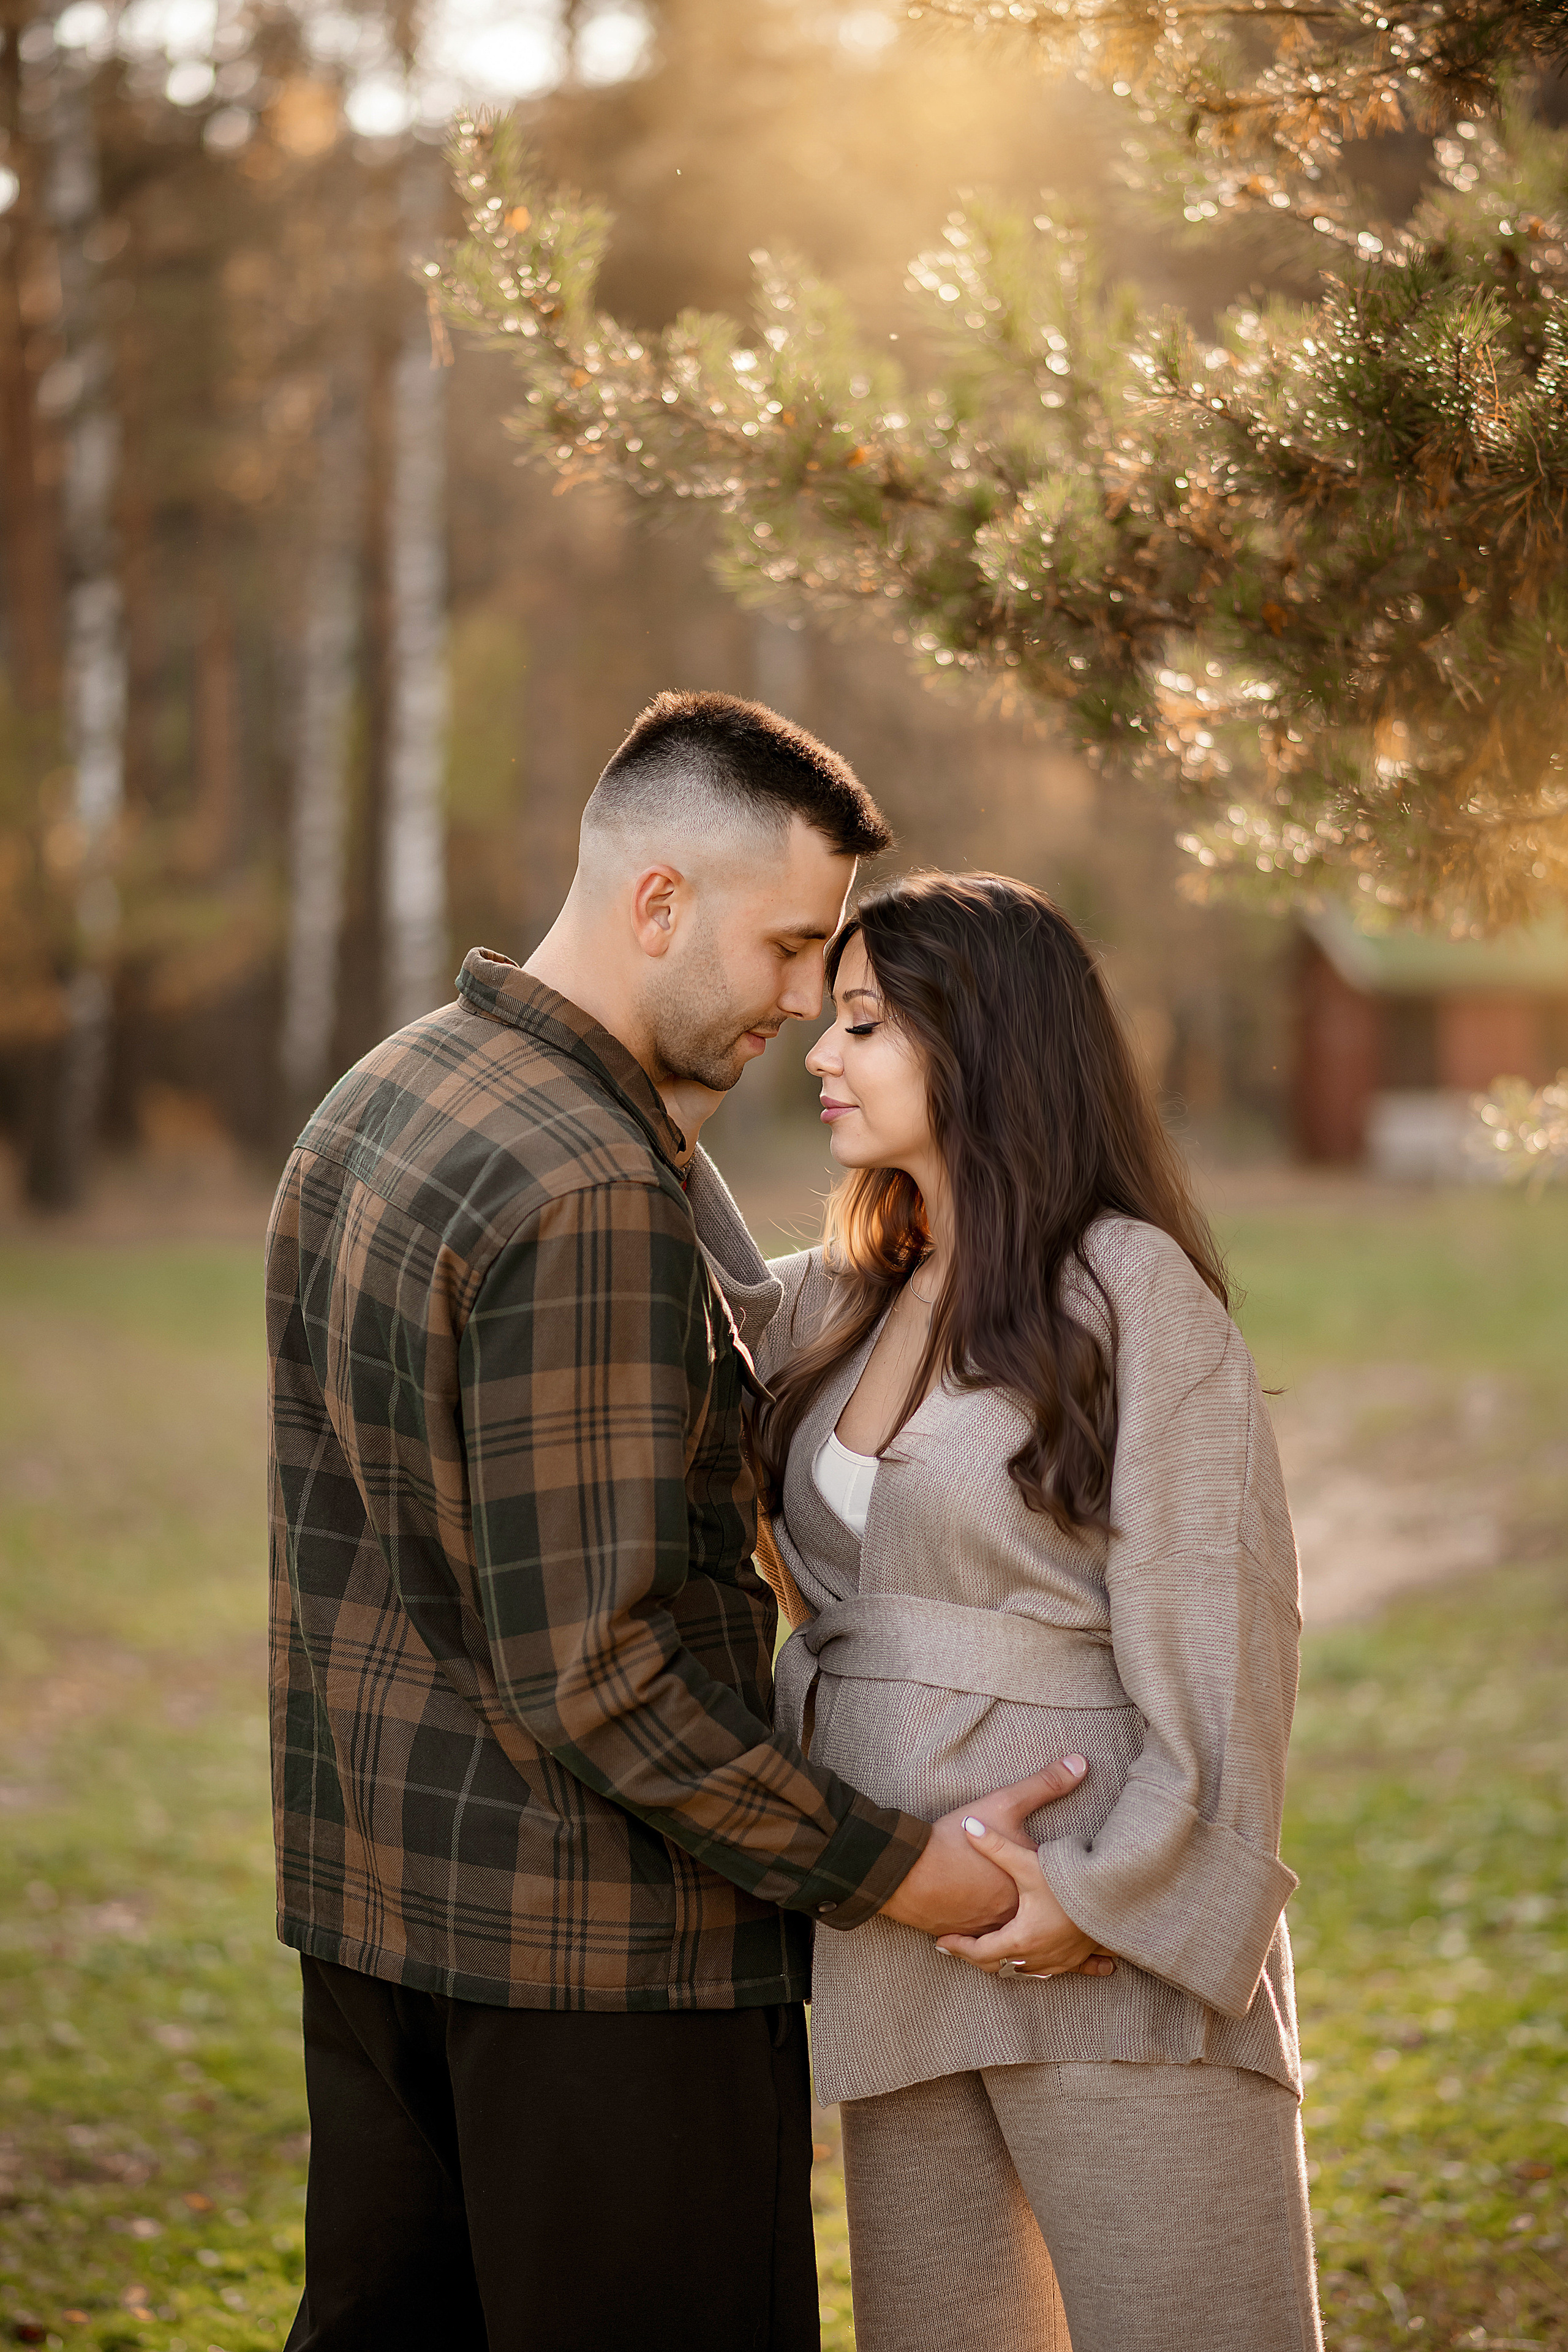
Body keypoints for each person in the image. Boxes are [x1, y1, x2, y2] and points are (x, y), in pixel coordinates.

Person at [266, 696, 1084, 2352]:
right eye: (786, 946)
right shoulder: (584, 1185)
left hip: (376, 1930)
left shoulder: (383, 1091)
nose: (803, 999)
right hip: (603, 1980)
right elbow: (606, 1675)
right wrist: (908, 1873)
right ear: (657, 902)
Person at [692, 872, 1322, 2352]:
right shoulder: (842, 1295)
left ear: (980, 1040)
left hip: (1096, 1913)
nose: (820, 1053)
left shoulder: (1125, 1289)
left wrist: (1101, 1898)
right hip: (895, 1923)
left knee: (1188, 2327)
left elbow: (1224, 1635)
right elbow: (678, 1263)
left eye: (862, 1022)